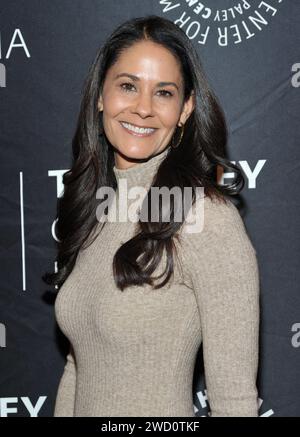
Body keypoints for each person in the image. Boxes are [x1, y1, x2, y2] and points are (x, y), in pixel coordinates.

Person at [43, 15, 260, 417]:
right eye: (128, 86)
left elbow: (235, 402)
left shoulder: (205, 217)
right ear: (100, 96)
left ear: (185, 109)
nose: (143, 108)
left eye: (163, 93)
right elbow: (79, 367)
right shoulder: (98, 207)